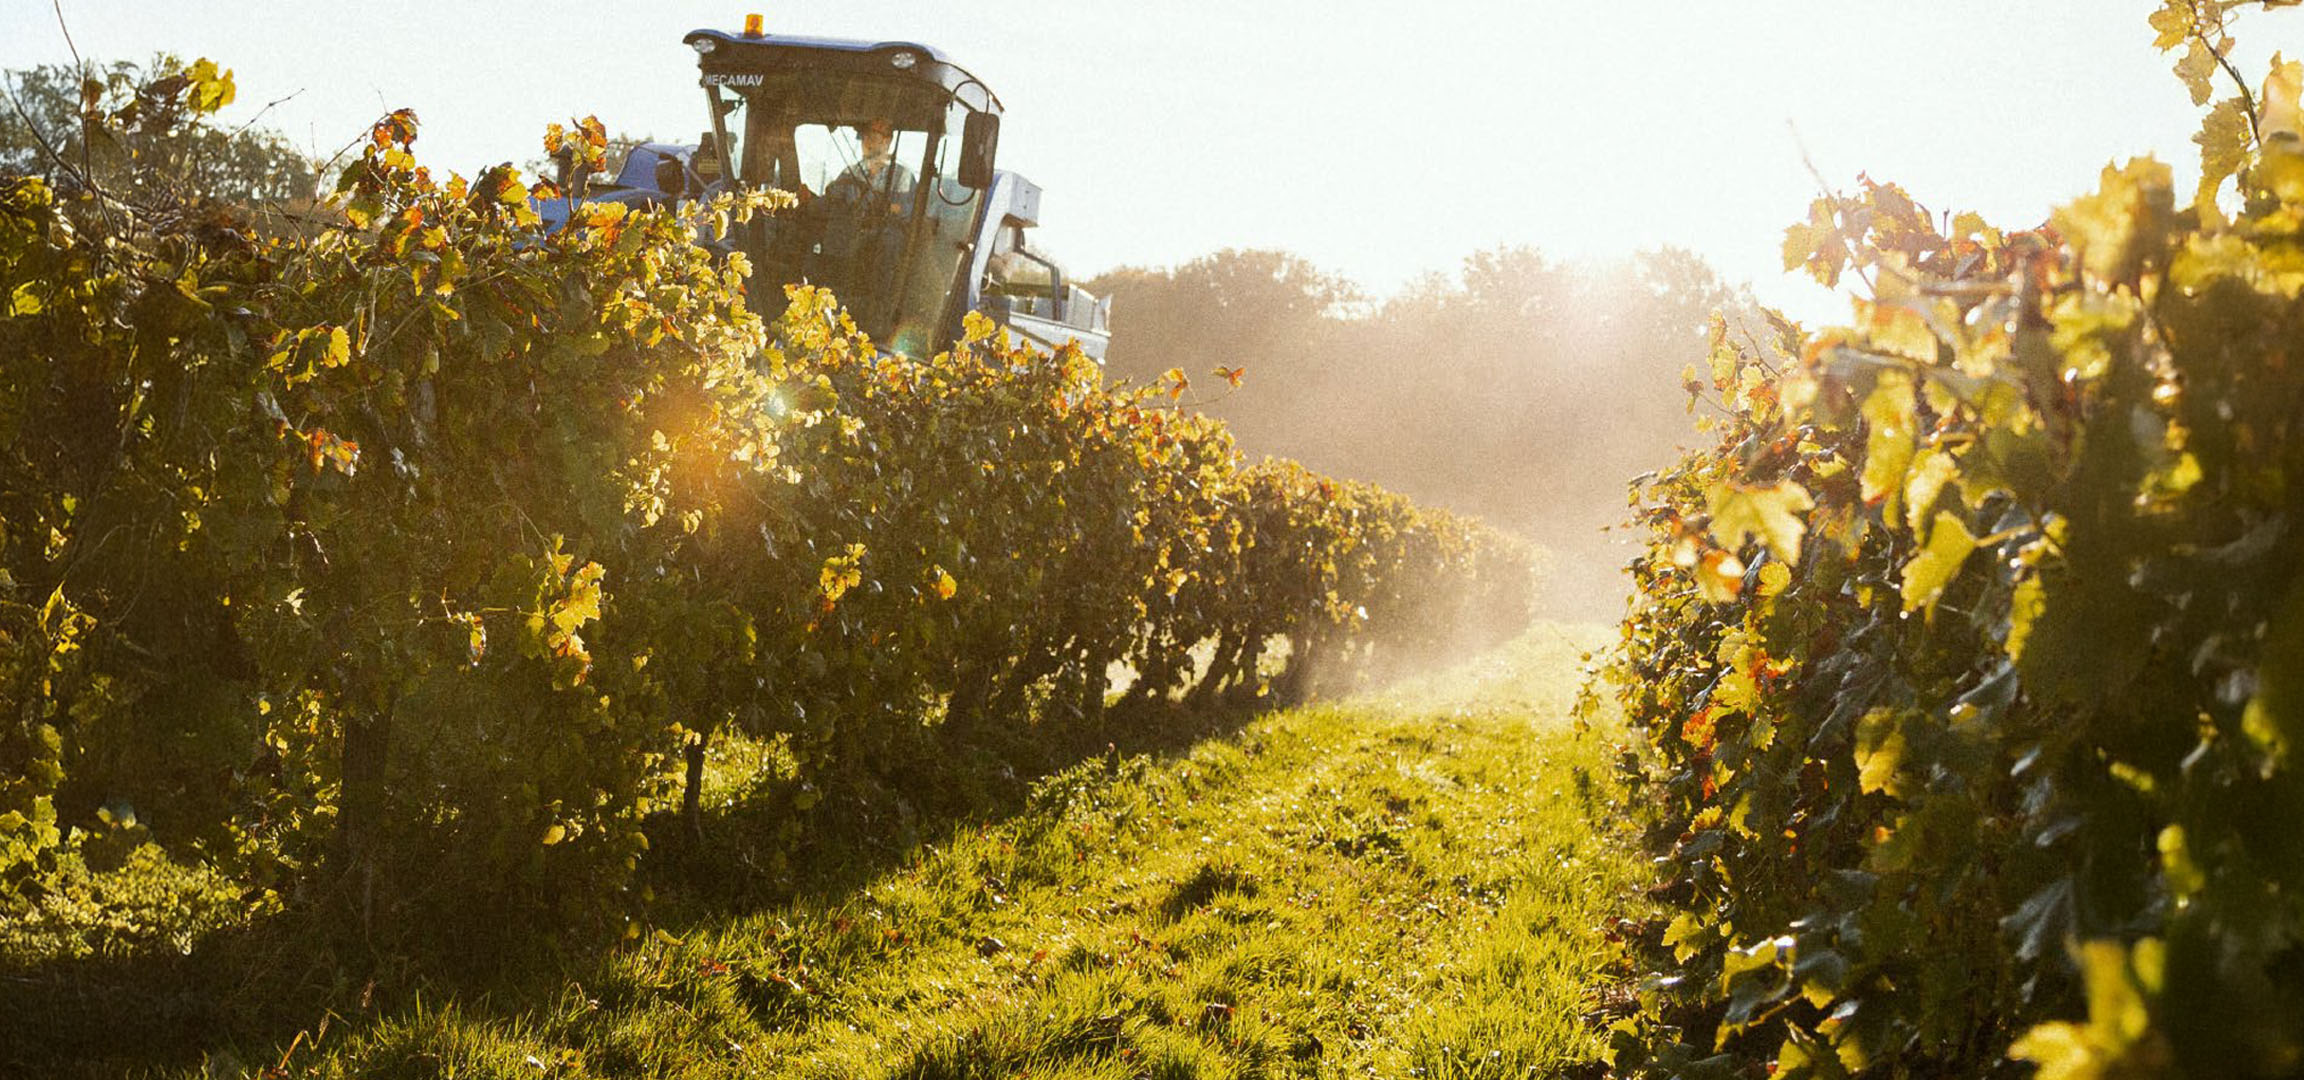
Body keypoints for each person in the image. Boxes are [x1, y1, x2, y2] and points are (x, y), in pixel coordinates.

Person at [826, 118, 913, 216]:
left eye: (872, 137)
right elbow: (830, 201)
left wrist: (888, 208)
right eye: (864, 137)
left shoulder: (903, 176)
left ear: (887, 141)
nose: (866, 142)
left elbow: (911, 211)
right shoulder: (850, 172)